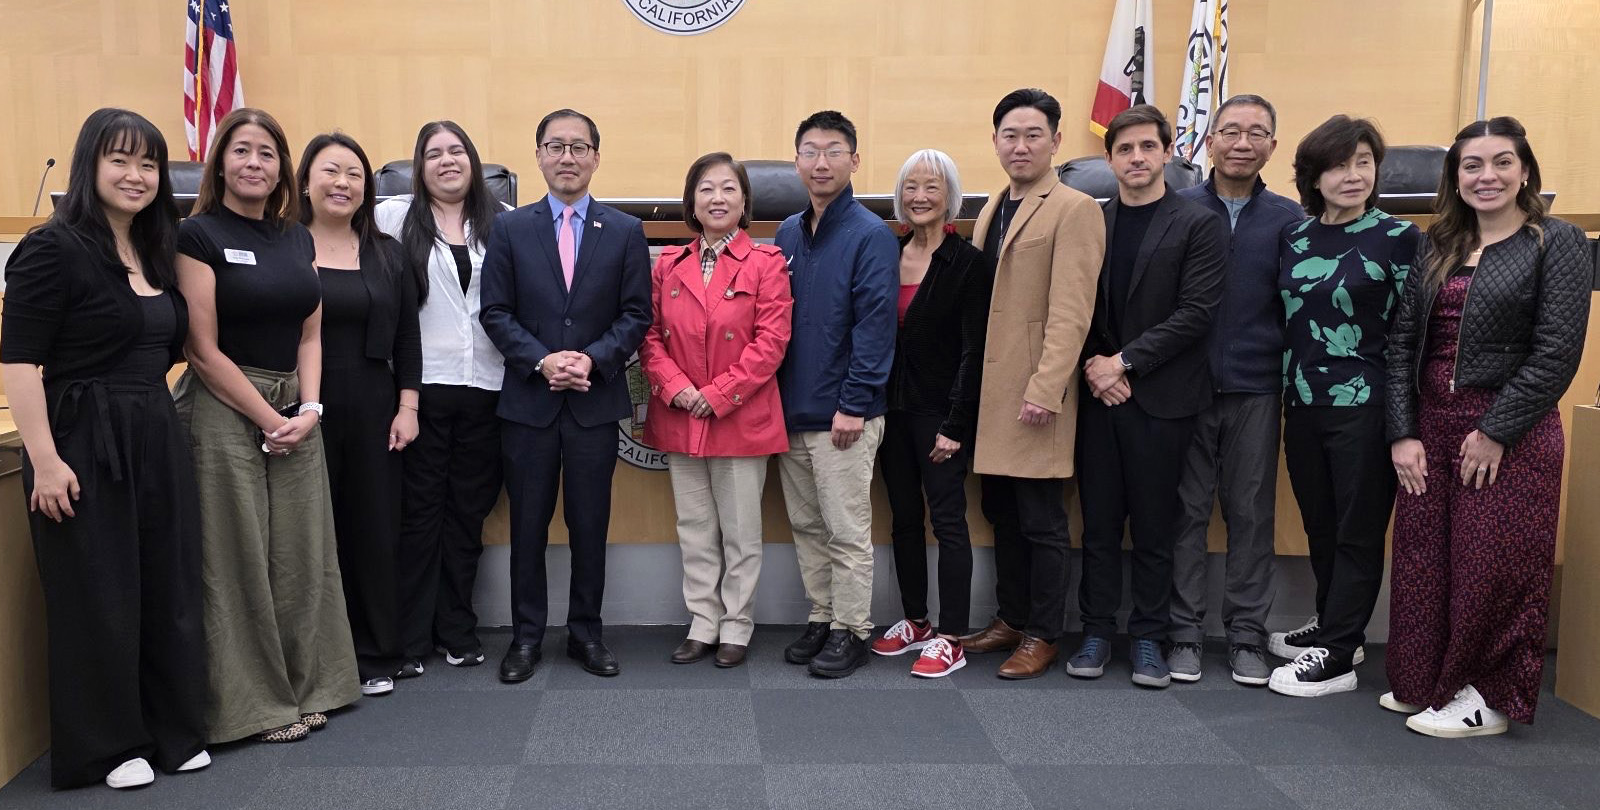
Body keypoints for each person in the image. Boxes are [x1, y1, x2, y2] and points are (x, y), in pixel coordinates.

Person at [1, 108, 210, 789]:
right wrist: (47, 457)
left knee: (166, 584)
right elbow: (19, 360)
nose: (137, 175)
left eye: (149, 163)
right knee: (99, 593)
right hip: (80, 437)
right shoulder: (52, 248)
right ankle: (107, 747)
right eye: (120, 160)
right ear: (90, 164)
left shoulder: (155, 251)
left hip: (152, 427)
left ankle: (170, 731)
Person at [1385, 117, 1592, 736]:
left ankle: (1488, 698)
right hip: (1431, 427)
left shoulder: (1558, 242)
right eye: (1472, 165)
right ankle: (1424, 682)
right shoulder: (1437, 245)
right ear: (1455, 176)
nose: (1488, 176)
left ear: (1525, 170)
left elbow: (1557, 350)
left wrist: (1497, 429)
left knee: (1491, 565)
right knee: (1423, 560)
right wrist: (1403, 432)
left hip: (1511, 431)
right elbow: (1400, 345)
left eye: (1502, 162)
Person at [173, 107, 360, 743]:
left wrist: (308, 410)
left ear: (284, 168)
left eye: (267, 153)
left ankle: (312, 686)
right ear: (220, 160)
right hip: (225, 407)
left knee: (303, 554)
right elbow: (201, 348)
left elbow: (312, 331)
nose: (254, 164)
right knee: (237, 558)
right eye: (242, 151)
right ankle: (255, 707)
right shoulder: (195, 234)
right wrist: (266, 416)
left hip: (295, 409)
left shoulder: (295, 237)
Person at [480, 109, 651, 681]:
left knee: (589, 524)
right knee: (527, 523)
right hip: (529, 402)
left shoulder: (625, 231)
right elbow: (496, 312)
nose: (568, 157)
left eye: (579, 147)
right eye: (556, 146)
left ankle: (586, 634)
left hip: (593, 404)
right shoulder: (509, 228)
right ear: (538, 156)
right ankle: (526, 639)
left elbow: (635, 315)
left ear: (596, 158)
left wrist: (592, 360)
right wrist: (542, 359)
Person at [1070, 104, 1227, 689]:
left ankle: (1148, 639)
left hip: (1163, 398)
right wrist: (1096, 366)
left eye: (1147, 147)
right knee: (1100, 524)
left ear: (1167, 153)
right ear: (1109, 158)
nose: (1136, 158)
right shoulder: (1089, 219)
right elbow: (1072, 304)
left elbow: (1197, 313)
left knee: (1158, 527)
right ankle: (1094, 632)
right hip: (1096, 395)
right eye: (1124, 149)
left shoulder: (1196, 223)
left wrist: (1123, 362)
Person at [1267, 115, 1420, 697]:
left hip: (1366, 402)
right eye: (1338, 163)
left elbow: (1414, 334)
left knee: (1358, 529)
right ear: (1314, 174)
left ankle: (1337, 656)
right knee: (1321, 523)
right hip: (1301, 400)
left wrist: (1407, 421)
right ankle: (1339, 627)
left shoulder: (1400, 237)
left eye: (1363, 161)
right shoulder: (1296, 237)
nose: (1352, 174)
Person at [960, 88, 1104, 680]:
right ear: (995, 141)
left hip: (1035, 395)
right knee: (1003, 512)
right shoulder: (998, 202)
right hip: (993, 396)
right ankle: (1011, 619)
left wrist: (1046, 388)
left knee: (1043, 519)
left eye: (1033, 135)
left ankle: (1044, 632)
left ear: (1056, 142)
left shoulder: (1074, 207)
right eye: (1009, 136)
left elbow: (1072, 312)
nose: (1020, 146)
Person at [1168, 94, 1305, 686]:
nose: (1242, 142)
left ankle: (1247, 634)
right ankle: (1182, 633)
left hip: (1256, 387)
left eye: (1256, 133)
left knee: (1250, 513)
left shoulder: (1291, 219)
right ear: (1209, 141)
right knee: (1185, 513)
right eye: (1230, 131)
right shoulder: (1176, 209)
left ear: (1273, 145)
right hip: (1183, 387)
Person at [639, 153, 792, 669]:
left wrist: (720, 393)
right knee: (695, 527)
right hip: (683, 415)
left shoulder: (767, 263)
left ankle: (737, 625)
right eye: (706, 189)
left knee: (742, 531)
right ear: (692, 201)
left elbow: (772, 342)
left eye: (728, 189)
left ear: (745, 201)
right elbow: (649, 338)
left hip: (740, 416)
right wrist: (679, 389)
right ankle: (702, 622)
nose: (718, 198)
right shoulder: (668, 265)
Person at [375, 121, 509, 676]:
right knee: (420, 515)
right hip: (419, 391)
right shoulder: (390, 217)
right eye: (434, 154)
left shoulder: (502, 224)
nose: (447, 161)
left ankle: (457, 628)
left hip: (489, 387)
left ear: (474, 162)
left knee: (466, 517)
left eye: (457, 151)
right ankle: (409, 638)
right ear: (418, 165)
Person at [774, 110, 898, 679]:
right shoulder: (786, 233)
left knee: (847, 531)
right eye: (809, 151)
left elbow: (875, 327)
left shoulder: (871, 234)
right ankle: (823, 617)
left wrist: (855, 403)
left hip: (845, 415)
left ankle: (854, 629)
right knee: (807, 526)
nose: (820, 162)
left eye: (833, 150)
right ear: (796, 161)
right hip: (791, 411)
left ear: (854, 158)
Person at [298, 132, 422, 697]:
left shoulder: (386, 252)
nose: (343, 183)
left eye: (354, 173)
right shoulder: (285, 246)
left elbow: (406, 336)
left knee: (374, 529)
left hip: (375, 401)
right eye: (331, 170)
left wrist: (408, 406)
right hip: (300, 405)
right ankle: (316, 658)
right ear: (305, 181)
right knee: (308, 532)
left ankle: (377, 653)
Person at [869, 149, 992, 678]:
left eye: (932, 188)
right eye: (911, 187)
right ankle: (915, 620)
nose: (920, 197)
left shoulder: (968, 264)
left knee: (948, 522)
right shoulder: (886, 254)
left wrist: (955, 425)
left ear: (950, 199)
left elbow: (974, 350)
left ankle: (952, 635)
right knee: (902, 519)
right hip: (890, 412)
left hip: (940, 415)